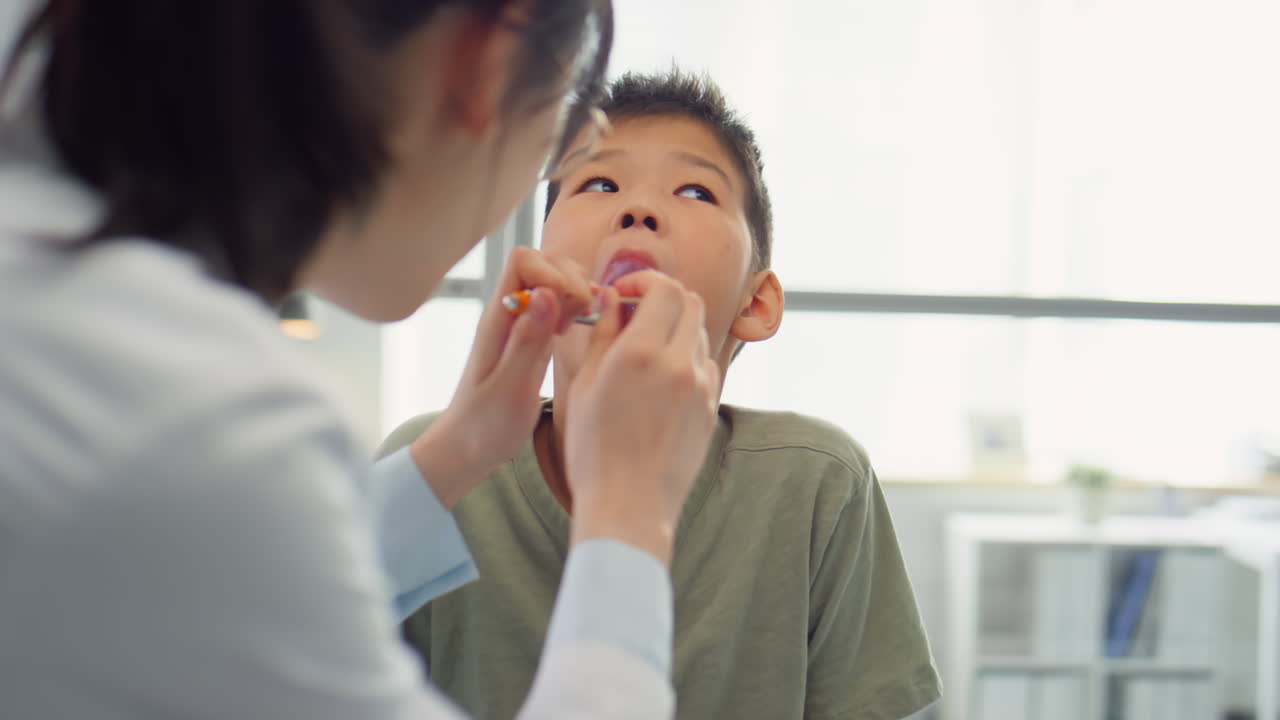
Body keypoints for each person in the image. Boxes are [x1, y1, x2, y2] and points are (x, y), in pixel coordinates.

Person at [0, 2, 724, 718]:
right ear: (486, 65)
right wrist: (630, 507)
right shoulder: (204, 421)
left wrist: (461, 448)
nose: (637, 211)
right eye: (581, 155)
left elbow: (224, 591)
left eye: (696, 191)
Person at [379, 70, 943, 720]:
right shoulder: (432, 479)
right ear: (540, 266)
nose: (638, 210)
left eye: (697, 190)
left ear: (755, 303)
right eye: (598, 183)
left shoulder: (817, 483)